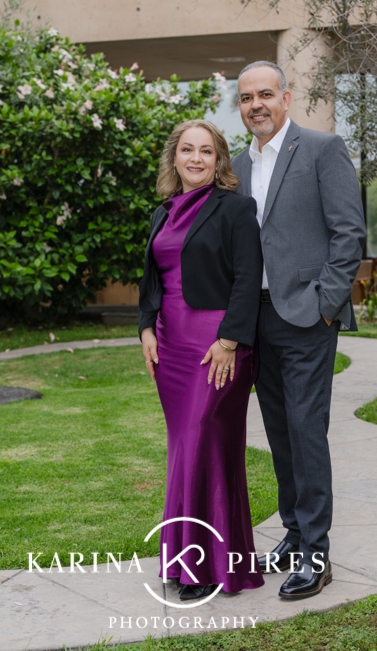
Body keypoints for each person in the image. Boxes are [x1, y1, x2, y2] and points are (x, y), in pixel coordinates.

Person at [231, 59, 366, 600]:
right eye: (246, 98)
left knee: (307, 429)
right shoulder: (238, 165)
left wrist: (326, 305)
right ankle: (293, 531)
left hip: (307, 315)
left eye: (266, 94)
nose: (256, 104)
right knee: (281, 429)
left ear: (287, 98)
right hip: (257, 318)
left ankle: (316, 552)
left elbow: (349, 232)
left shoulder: (321, 149)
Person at [138, 119, 265, 602]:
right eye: (187, 150)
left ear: (219, 161)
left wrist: (230, 340)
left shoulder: (235, 209)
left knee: (204, 443)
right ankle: (185, 558)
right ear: (175, 158)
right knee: (183, 448)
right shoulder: (162, 213)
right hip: (170, 347)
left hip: (217, 347)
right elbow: (151, 280)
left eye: (206, 152)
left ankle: (207, 567)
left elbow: (247, 277)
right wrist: (146, 327)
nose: (196, 159)